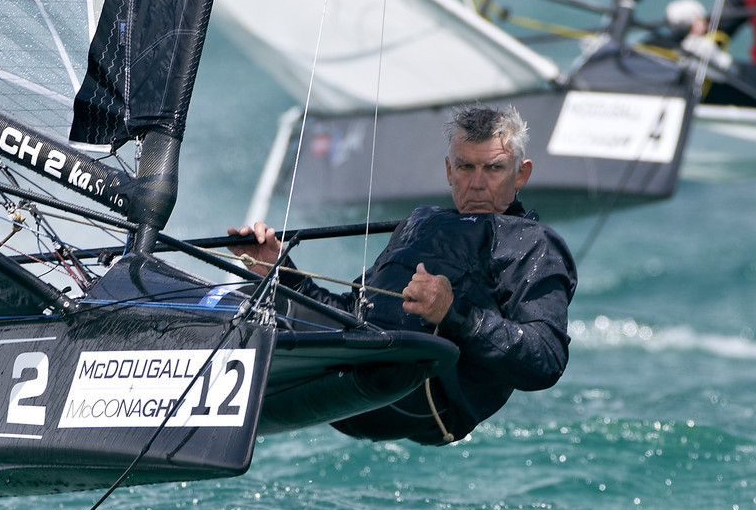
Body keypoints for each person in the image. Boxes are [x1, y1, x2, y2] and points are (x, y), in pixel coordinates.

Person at [228, 105, 576, 446]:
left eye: (494, 168)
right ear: (448, 170)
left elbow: (545, 360)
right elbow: (348, 312)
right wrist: (279, 272)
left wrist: (455, 315)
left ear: (521, 174)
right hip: (351, 379)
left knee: (277, 322)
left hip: (421, 395)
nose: (477, 184)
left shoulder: (534, 243)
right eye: (465, 167)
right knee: (250, 298)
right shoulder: (420, 222)